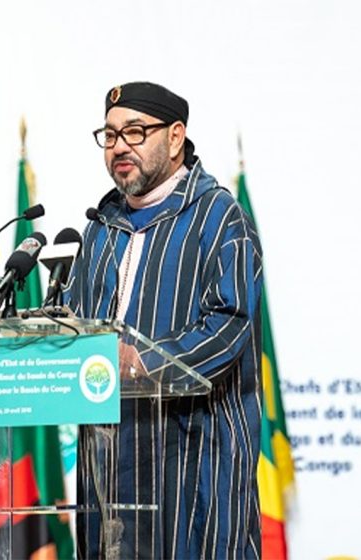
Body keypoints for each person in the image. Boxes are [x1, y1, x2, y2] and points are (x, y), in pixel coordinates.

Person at [67, 81, 264, 559]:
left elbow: (229, 324)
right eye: (110, 135)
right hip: (110, 464)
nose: (119, 147)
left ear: (176, 138)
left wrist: (145, 362)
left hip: (193, 459)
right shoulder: (101, 226)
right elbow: (74, 322)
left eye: (134, 132)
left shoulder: (219, 218)